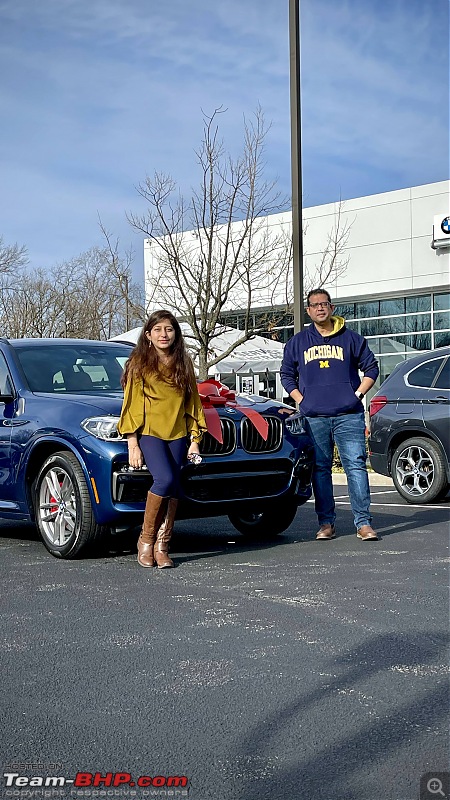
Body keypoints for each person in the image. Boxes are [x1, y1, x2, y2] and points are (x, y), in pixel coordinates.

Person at [280, 288, 379, 541]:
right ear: (309, 311)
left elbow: (371, 368)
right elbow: (286, 375)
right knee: (321, 470)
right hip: (315, 418)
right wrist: (302, 400)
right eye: (314, 305)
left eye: (324, 304)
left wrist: (356, 395)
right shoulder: (298, 343)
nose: (320, 308)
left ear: (332, 308)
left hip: (349, 415)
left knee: (355, 467)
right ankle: (326, 524)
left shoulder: (352, 339)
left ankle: (364, 523)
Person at [118, 310, 207, 568]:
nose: (163, 334)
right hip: (150, 433)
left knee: (175, 486)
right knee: (164, 479)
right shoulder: (139, 364)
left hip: (178, 433)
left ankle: (162, 545)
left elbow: (193, 404)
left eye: (168, 329)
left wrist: (194, 439)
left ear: (175, 333)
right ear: (148, 335)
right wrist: (132, 443)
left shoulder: (183, 363)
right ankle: (145, 541)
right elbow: (131, 405)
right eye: (157, 330)